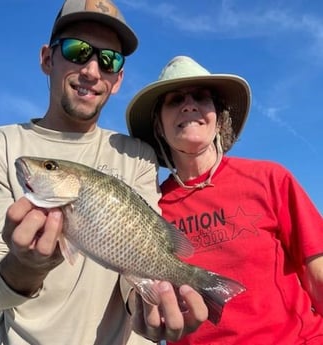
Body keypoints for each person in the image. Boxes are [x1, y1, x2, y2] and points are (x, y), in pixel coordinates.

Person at [0, 3, 208, 345]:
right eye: (78, 50)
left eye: (109, 60)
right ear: (47, 58)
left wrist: (153, 307)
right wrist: (25, 265)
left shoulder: (136, 155)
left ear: (118, 80)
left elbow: (132, 273)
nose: (92, 70)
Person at [126, 55, 323, 344]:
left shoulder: (270, 178)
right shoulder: (151, 207)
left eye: (202, 98)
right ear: (159, 126)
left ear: (219, 119)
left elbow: (316, 271)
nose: (189, 105)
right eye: (174, 100)